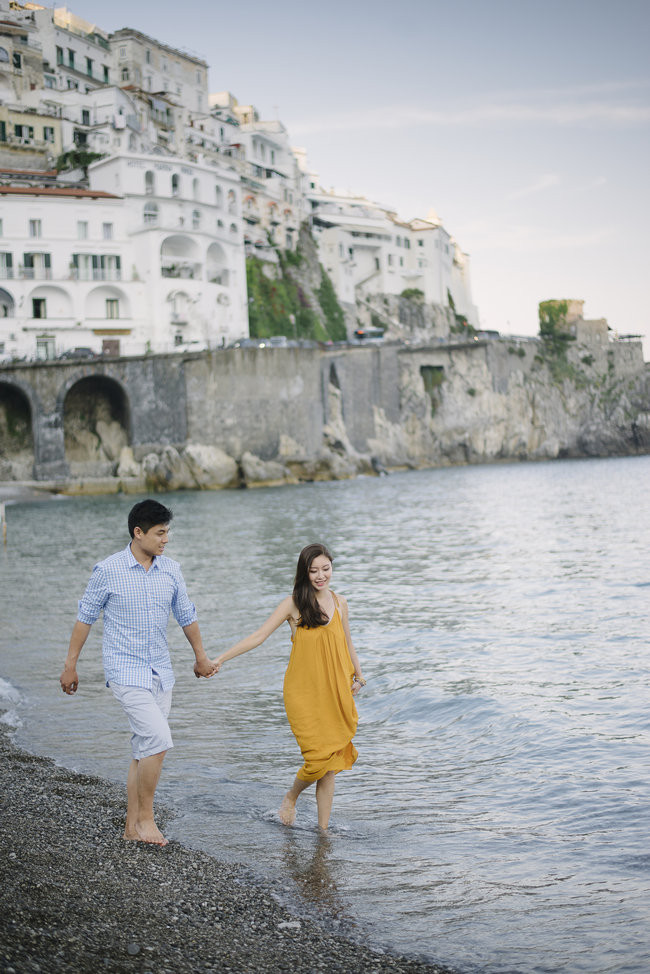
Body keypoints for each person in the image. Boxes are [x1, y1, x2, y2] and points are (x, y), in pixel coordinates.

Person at [59, 499, 217, 846]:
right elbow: (85, 618)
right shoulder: (107, 570)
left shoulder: (171, 570)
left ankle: (131, 828)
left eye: (167, 532)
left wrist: (200, 658)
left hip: (161, 673)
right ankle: (147, 818)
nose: (166, 540)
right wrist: (70, 665)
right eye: (160, 533)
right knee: (158, 739)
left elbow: (187, 616)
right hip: (125, 671)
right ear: (138, 532)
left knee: (143, 748)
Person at [210, 543, 365, 830]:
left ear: (332, 568)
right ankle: (291, 797)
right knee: (317, 758)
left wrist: (358, 674)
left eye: (326, 569)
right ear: (304, 573)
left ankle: (323, 831)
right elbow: (258, 636)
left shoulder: (340, 602)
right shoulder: (293, 603)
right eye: (314, 570)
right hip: (304, 693)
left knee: (329, 765)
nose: (321, 576)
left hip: (335, 689)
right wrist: (220, 658)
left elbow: (347, 642)